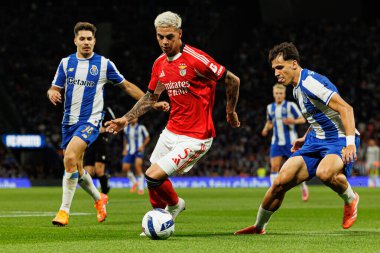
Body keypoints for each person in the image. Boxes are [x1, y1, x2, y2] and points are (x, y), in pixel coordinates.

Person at [105, 11, 240, 233]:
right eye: (160, 37)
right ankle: (158, 221)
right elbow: (150, 97)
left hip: (196, 136)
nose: (165, 42)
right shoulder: (159, 64)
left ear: (179, 34)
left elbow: (233, 80)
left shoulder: (197, 60)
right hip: (171, 130)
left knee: (152, 175)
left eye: (169, 37)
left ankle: (175, 205)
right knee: (152, 177)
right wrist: (125, 119)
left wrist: (230, 111)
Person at [47, 22, 168, 226]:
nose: (86, 42)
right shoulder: (65, 63)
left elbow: (127, 86)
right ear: (75, 40)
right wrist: (52, 91)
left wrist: (152, 103)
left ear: (94, 41)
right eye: (82, 39)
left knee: (69, 158)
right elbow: (54, 87)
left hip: (91, 121)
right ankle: (99, 199)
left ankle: (63, 211)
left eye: (89, 39)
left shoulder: (104, 64)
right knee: (78, 167)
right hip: (68, 123)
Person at [235, 42, 360, 235]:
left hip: (340, 138)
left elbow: (346, 109)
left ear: (294, 64)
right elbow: (319, 115)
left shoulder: (310, 82)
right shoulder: (295, 88)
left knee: (325, 173)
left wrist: (350, 144)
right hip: (315, 140)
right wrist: (304, 136)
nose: (276, 73)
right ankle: (259, 227)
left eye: (280, 67)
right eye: (274, 69)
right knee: (280, 181)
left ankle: (351, 199)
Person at [262, 83, 309, 201]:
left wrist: (292, 121)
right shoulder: (269, 108)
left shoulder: (290, 106)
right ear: (273, 94)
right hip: (276, 142)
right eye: (277, 93)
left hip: (290, 142)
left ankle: (303, 187)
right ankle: (274, 193)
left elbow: (302, 119)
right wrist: (265, 129)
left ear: (284, 94)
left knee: (296, 168)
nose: (278, 95)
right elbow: (269, 122)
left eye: (281, 93)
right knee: (274, 167)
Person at [83, 106, 116, 197]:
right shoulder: (86, 107)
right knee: (88, 172)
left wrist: (105, 129)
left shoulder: (105, 108)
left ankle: (104, 194)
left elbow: (115, 123)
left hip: (101, 142)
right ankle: (96, 195)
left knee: (99, 170)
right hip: (89, 142)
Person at [122, 118, 150, 195]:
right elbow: (125, 139)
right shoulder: (126, 128)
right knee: (125, 168)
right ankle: (135, 182)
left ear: (137, 119)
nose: (134, 119)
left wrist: (142, 146)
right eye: (133, 118)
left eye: (135, 118)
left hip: (138, 150)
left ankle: (141, 188)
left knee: (138, 167)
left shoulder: (141, 127)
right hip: (129, 150)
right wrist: (124, 149)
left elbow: (147, 138)